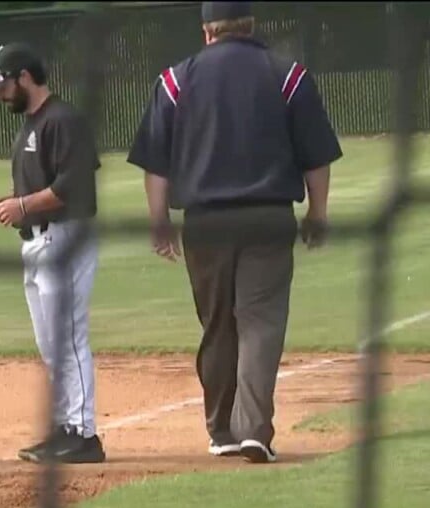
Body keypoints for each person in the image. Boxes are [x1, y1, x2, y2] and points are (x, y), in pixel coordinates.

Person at [126, 2, 342, 464]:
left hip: (206, 222)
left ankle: (221, 428)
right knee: (260, 321)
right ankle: (254, 431)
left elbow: (155, 162)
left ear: (207, 31)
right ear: (250, 26)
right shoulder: (288, 74)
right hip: (268, 216)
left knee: (218, 322)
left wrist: (159, 218)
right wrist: (318, 213)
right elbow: (316, 157)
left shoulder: (176, 79)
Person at [0, 42, 106, 465]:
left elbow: (75, 184)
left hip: (65, 237)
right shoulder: (31, 124)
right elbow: (31, 190)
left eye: (1, 86)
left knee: (67, 335)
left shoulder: (63, 120)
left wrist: (24, 206)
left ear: (24, 77)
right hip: (38, 240)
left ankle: (84, 434)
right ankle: (64, 427)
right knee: (51, 343)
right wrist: (1, 204)